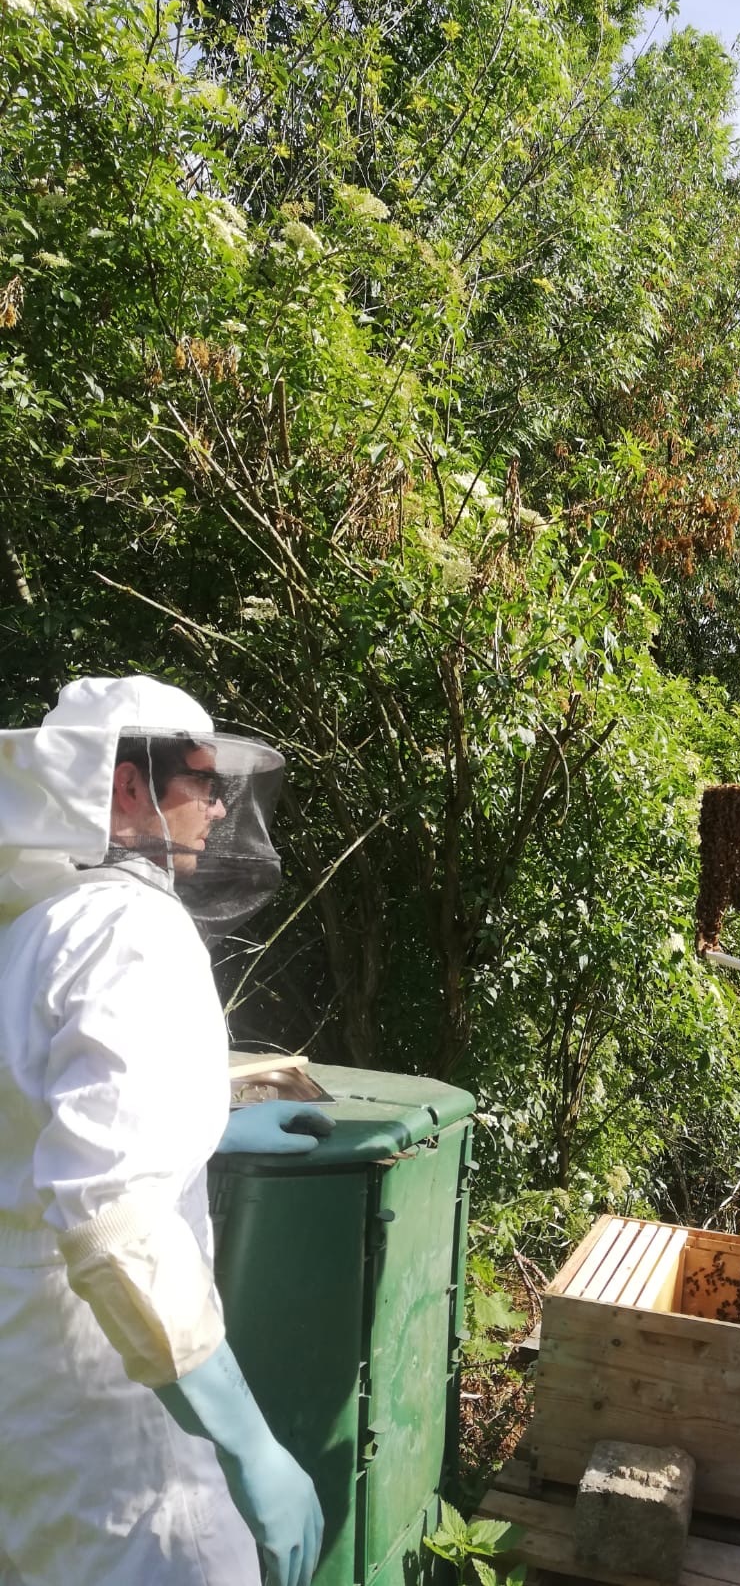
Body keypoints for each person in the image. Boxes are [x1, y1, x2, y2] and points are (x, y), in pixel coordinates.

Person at [0, 674, 333, 1586]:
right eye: (200, 777)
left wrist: (205, 1132)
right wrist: (247, 1441)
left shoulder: (32, 925)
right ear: (124, 786)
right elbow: (113, 1217)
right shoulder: (131, 927)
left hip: (26, 1392)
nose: (219, 804)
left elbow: (45, 1122)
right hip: (109, 1416)